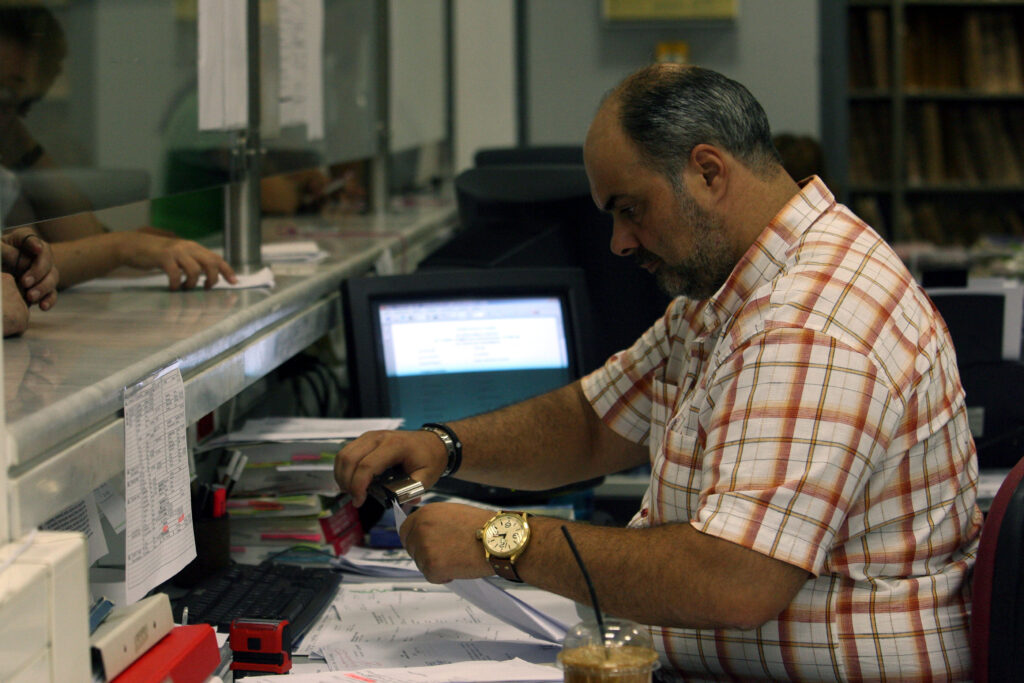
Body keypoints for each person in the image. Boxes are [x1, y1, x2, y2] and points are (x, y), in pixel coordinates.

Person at [334, 64, 980, 681]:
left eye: (630, 208)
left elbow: (734, 579)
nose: (619, 241)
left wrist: (502, 540)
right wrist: (445, 446)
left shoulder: (808, 322)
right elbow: (594, 421)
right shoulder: (734, 291)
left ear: (707, 171)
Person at [0, 6, 237, 291]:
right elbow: (21, 266)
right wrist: (124, 247)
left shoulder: (9, 171)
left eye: (14, 99)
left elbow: (52, 250)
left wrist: (19, 140)